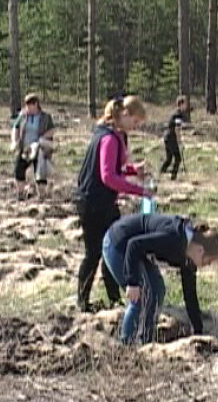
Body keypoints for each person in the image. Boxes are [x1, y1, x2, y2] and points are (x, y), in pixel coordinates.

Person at [74, 96, 151, 313]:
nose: (135, 128)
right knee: (95, 253)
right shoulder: (109, 138)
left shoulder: (112, 135)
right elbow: (108, 176)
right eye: (135, 123)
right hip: (93, 203)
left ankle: (114, 299)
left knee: (112, 248)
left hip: (102, 201)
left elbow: (114, 169)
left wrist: (134, 170)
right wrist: (139, 191)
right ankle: (82, 302)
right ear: (125, 115)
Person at [102, 214, 218, 345]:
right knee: (141, 297)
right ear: (200, 250)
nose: (207, 265)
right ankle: (126, 346)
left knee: (157, 289)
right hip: (117, 244)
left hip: (138, 252)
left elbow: (190, 295)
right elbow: (134, 245)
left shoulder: (189, 258)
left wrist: (198, 330)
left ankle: (145, 341)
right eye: (209, 261)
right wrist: (132, 282)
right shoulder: (173, 238)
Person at [10, 93, 55, 200]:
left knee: (40, 171)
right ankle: (20, 194)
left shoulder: (45, 117)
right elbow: (15, 128)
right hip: (25, 148)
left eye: (29, 105)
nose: (27, 107)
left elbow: (52, 130)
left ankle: (42, 195)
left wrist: (43, 137)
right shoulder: (23, 116)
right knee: (19, 169)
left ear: (36, 104)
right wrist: (14, 141)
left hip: (39, 148)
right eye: (26, 105)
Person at [160, 96, 189, 181]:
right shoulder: (178, 115)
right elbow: (177, 129)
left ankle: (160, 174)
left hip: (167, 137)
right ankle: (173, 177)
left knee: (169, 159)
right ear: (181, 104)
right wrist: (179, 142)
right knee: (178, 158)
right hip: (171, 137)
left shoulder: (175, 113)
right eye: (185, 104)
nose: (186, 106)